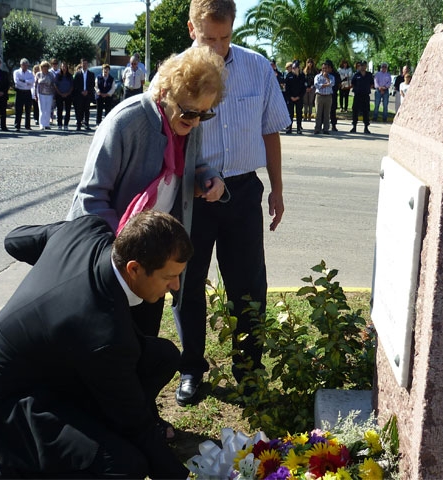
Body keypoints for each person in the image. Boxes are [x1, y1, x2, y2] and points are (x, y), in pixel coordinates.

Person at [0, 210, 192, 480]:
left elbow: (14, 240)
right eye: (169, 277)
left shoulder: (86, 230)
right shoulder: (104, 333)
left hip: (50, 366)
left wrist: (58, 266)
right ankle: (3, 471)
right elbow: (136, 424)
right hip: (9, 400)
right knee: (124, 465)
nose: (176, 286)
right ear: (134, 268)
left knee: (161, 356)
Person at [173, 0, 289, 407]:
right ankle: (191, 369)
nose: (219, 48)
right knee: (187, 284)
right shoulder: (176, 72)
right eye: (209, 38)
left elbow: (271, 130)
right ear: (192, 28)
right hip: (192, 196)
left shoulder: (257, 67)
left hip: (242, 192)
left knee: (248, 285)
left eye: (226, 38)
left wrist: (276, 187)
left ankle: (249, 372)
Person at [67, 46, 228, 338]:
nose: (194, 123)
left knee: (144, 344)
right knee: (108, 350)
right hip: (110, 261)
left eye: (204, 115)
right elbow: (91, 198)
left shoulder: (190, 123)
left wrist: (209, 177)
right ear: (164, 91)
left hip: (153, 259)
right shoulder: (126, 122)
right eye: (189, 113)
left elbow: (194, 164)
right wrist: (115, 254)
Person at [350, 60, 373, 134]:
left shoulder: (369, 74)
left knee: (366, 112)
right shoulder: (356, 74)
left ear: (366, 66)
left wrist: (366, 89)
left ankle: (366, 127)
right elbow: (352, 83)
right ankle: (354, 127)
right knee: (355, 111)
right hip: (357, 95)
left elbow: (372, 84)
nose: (363, 67)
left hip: (365, 95)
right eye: (361, 65)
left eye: (364, 65)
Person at [72, 58, 95, 131]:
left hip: (87, 95)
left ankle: (86, 124)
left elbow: (92, 84)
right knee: (79, 110)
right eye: (83, 63)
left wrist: (87, 91)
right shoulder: (77, 74)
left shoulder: (91, 74)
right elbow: (75, 85)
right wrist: (81, 91)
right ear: (81, 64)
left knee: (87, 110)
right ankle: (78, 125)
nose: (84, 65)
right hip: (79, 95)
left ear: (87, 64)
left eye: (86, 63)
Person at [313, 60, 334, 135]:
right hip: (319, 96)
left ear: (328, 69)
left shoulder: (331, 77)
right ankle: (317, 129)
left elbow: (332, 84)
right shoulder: (317, 76)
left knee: (327, 114)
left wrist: (326, 78)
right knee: (318, 113)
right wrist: (326, 84)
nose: (324, 70)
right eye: (323, 68)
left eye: (326, 68)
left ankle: (326, 129)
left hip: (328, 97)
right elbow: (317, 85)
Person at [284, 59, 305, 134]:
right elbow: (287, 88)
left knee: (299, 113)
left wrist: (299, 96)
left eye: (294, 68)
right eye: (292, 68)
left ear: (298, 68)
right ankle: (289, 127)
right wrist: (291, 97)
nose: (293, 69)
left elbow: (304, 88)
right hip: (291, 98)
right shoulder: (289, 76)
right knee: (290, 113)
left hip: (299, 98)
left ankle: (299, 128)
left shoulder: (302, 76)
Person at [12, 58, 34, 132]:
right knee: (18, 110)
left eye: (26, 65)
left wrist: (24, 81)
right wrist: (27, 83)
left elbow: (32, 81)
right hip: (19, 92)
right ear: (21, 65)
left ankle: (27, 125)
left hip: (27, 92)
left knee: (28, 110)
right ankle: (17, 125)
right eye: (23, 65)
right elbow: (17, 82)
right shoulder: (16, 72)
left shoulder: (30, 72)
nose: (25, 66)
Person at [34, 61, 55, 130]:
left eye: (46, 67)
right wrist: (35, 95)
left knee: (48, 109)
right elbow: (35, 85)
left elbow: (53, 84)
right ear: (41, 67)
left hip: (49, 94)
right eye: (43, 67)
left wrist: (54, 94)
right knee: (42, 110)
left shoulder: (51, 74)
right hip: (41, 94)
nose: (45, 68)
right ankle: (42, 124)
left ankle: (47, 124)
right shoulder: (38, 74)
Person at [53, 61, 73, 130]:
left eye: (65, 66)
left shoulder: (70, 76)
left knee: (68, 110)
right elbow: (55, 85)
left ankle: (66, 124)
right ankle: (59, 124)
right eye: (62, 66)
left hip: (68, 95)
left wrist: (67, 93)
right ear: (60, 67)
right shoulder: (58, 75)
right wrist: (60, 93)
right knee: (59, 110)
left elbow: (72, 86)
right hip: (59, 95)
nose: (64, 68)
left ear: (67, 67)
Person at [326, 59, 341, 131]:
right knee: (324, 111)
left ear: (331, 67)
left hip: (333, 94)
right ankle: (324, 125)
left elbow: (339, 84)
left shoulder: (336, 74)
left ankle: (333, 125)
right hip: (324, 95)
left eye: (328, 67)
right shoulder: (323, 74)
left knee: (333, 110)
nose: (327, 68)